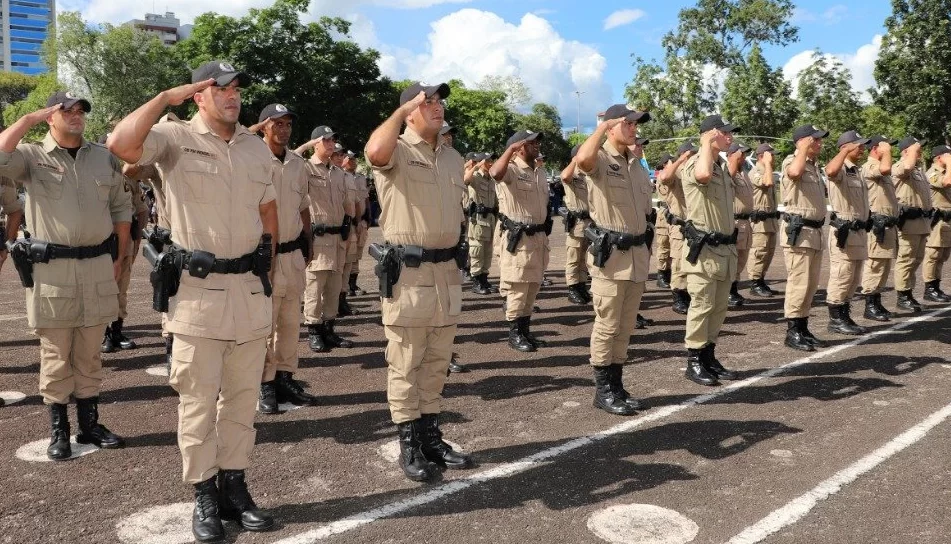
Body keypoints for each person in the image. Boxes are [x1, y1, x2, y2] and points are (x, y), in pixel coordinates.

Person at [107, 60, 277, 541]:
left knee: (242, 402)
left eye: (236, 87)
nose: (232, 94)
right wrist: (165, 97)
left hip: (248, 291)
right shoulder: (173, 135)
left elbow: (267, 210)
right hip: (198, 293)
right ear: (199, 96)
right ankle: (204, 494)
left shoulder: (254, 148)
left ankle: (234, 487)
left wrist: (267, 268)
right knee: (199, 403)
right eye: (219, 88)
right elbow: (120, 145)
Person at [0, 92, 131, 459]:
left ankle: (90, 426)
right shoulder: (30, 155)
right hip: (52, 270)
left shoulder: (103, 157)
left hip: (96, 265)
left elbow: (121, 208)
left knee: (90, 353)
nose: (75, 116)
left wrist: (120, 256)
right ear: (50, 118)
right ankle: (60, 430)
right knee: (56, 353)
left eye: (80, 111)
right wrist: (28, 119)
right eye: (66, 110)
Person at [365, 81, 473, 482]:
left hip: (446, 272)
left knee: (436, 361)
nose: (435, 106)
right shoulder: (396, 150)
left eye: (438, 101)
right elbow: (374, 152)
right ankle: (409, 442)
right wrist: (398, 112)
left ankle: (430, 436)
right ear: (409, 112)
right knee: (406, 361)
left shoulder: (452, 156)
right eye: (425, 102)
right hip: (410, 275)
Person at [574, 105, 653, 415]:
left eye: (635, 124)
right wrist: (601, 127)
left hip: (636, 254)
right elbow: (582, 160)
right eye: (628, 123)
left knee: (625, 326)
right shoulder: (601, 159)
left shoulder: (636, 163)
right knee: (607, 325)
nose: (634, 128)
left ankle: (617, 384)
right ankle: (603, 389)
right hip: (612, 258)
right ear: (611, 127)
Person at [247, 104, 318, 413]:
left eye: (288, 124)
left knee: (290, 322)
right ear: (264, 127)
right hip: (264, 254)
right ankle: (265, 382)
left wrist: (309, 237)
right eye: (276, 124)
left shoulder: (297, 163)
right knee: (264, 323)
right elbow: (229, 142)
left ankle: (285, 377)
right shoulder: (251, 157)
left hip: (292, 254)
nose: (284, 129)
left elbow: (302, 203)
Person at [678, 115, 740, 386]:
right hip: (704, 251)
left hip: (725, 249)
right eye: (726, 133)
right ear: (712, 134)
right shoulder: (697, 164)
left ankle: (708, 355)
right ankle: (694, 361)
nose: (731, 138)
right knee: (702, 306)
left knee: (718, 308)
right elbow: (702, 176)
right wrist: (704, 143)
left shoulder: (722, 167)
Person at [490, 129, 551, 352]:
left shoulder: (540, 172)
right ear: (518, 147)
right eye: (531, 142)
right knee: (517, 288)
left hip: (538, 238)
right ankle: (514, 334)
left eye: (537, 142)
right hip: (519, 239)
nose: (537, 145)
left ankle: (525, 332)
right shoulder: (511, 170)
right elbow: (495, 173)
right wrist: (510, 152)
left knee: (532, 287)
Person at [298, 125, 353, 353]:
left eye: (333, 140)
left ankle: (329, 329)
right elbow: (285, 161)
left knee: (334, 287)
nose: (331, 144)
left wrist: (349, 227)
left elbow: (346, 202)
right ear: (315, 143)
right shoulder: (305, 168)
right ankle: (313, 330)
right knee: (314, 287)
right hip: (318, 239)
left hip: (338, 238)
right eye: (326, 140)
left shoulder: (339, 172)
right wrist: (306, 147)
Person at [780, 125, 829, 352]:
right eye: (815, 140)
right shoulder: (792, 161)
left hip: (814, 232)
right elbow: (794, 173)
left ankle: (803, 326)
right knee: (799, 282)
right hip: (799, 232)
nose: (819, 143)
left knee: (810, 284)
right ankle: (793, 331)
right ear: (802, 141)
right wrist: (802, 149)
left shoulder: (814, 166)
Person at [101, 148, 150, 353]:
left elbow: (142, 211)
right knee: (102, 289)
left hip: (125, 240)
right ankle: (103, 334)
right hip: (100, 241)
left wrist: (137, 240)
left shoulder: (129, 182)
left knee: (121, 289)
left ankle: (116, 331)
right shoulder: (95, 180)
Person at [824, 131, 871, 336]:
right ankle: (835, 318)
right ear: (846, 146)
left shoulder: (857, 171)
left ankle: (844, 313)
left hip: (859, 230)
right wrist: (844, 152)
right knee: (842, 275)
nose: (862, 148)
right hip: (845, 230)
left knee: (853, 278)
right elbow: (830, 171)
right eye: (858, 145)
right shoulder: (841, 167)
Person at [860, 136, 902, 319]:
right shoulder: (869, 166)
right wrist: (887, 153)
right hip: (878, 225)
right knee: (875, 265)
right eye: (885, 146)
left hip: (888, 224)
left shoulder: (880, 169)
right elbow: (885, 168)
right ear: (876, 148)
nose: (889, 149)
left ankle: (876, 302)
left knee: (883, 267)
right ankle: (870, 305)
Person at [892, 137, 934, 306]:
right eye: (917, 149)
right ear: (906, 151)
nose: (920, 151)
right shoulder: (900, 166)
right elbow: (906, 166)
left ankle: (908, 292)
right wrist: (912, 152)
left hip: (921, 221)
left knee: (917, 258)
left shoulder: (918, 170)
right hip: (908, 222)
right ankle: (903, 296)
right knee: (906, 258)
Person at [657, 140, 696, 315]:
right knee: (679, 262)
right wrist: (679, 161)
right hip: (680, 226)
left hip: (697, 227)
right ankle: (679, 296)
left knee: (694, 262)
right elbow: (664, 178)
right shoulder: (675, 173)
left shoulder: (695, 173)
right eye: (692, 154)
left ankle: (691, 293)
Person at [559, 144, 593, 305]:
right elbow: (564, 177)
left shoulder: (587, 174)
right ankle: (572, 288)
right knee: (574, 256)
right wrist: (574, 161)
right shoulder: (573, 174)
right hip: (577, 222)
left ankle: (581, 285)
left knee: (584, 257)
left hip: (590, 222)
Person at [747, 144, 780, 297]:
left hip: (770, 220)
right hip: (759, 222)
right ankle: (754, 282)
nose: (774, 158)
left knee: (768, 253)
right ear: (761, 156)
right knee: (759, 252)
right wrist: (767, 163)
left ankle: (761, 280)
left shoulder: (767, 171)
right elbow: (767, 183)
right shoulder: (755, 172)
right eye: (771, 155)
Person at [465, 152, 500, 295]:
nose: (491, 163)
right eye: (487, 161)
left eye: (492, 160)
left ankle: (484, 279)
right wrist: (475, 167)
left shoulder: (491, 180)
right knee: (477, 252)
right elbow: (465, 179)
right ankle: (476, 282)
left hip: (490, 221)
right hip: (478, 221)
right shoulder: (475, 177)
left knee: (487, 253)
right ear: (480, 163)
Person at [726, 142, 753, 308]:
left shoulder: (744, 173)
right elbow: (728, 177)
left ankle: (733, 289)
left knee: (741, 259)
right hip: (734, 222)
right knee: (733, 259)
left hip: (745, 222)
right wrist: (733, 160)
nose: (743, 157)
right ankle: (728, 292)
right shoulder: (730, 171)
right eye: (740, 154)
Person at [925, 145, 951, 301]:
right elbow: (947, 183)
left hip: (948, 219)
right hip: (938, 219)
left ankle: (936, 286)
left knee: (943, 255)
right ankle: (929, 288)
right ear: (939, 157)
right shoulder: (932, 173)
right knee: (933, 254)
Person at [342, 150, 370, 297]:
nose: (353, 161)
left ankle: (353, 285)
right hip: (348, 222)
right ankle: (344, 287)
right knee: (347, 256)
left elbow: (365, 198)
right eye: (350, 159)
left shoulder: (360, 178)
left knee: (357, 254)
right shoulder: (341, 176)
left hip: (360, 222)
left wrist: (368, 219)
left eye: (354, 159)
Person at [653, 153, 673, 288]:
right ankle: (661, 274)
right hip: (664, 215)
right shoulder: (663, 176)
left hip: (674, 216)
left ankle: (669, 272)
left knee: (674, 247)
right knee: (664, 246)